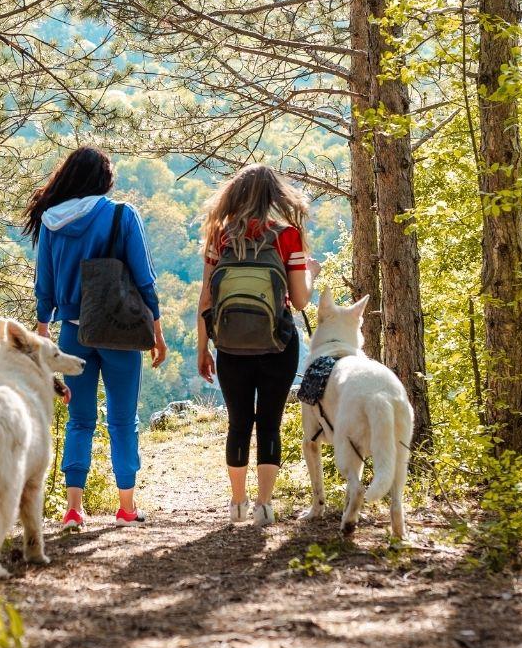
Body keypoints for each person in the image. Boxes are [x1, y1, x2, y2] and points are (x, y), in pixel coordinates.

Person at [26, 146, 167, 528]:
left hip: (73, 335)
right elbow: (144, 279)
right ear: (103, 180)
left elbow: (46, 286)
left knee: (79, 420)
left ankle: (74, 509)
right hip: (121, 332)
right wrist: (156, 329)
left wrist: (43, 335)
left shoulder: (52, 222)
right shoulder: (122, 215)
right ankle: (126, 507)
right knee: (123, 420)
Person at [196, 165, 317, 527]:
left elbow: (206, 297)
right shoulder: (287, 236)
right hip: (278, 344)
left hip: (230, 344)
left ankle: (237, 503)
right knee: (269, 423)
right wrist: (311, 271)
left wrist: (204, 347)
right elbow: (299, 300)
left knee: (238, 422)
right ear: (274, 196)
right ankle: (264, 505)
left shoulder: (220, 236)